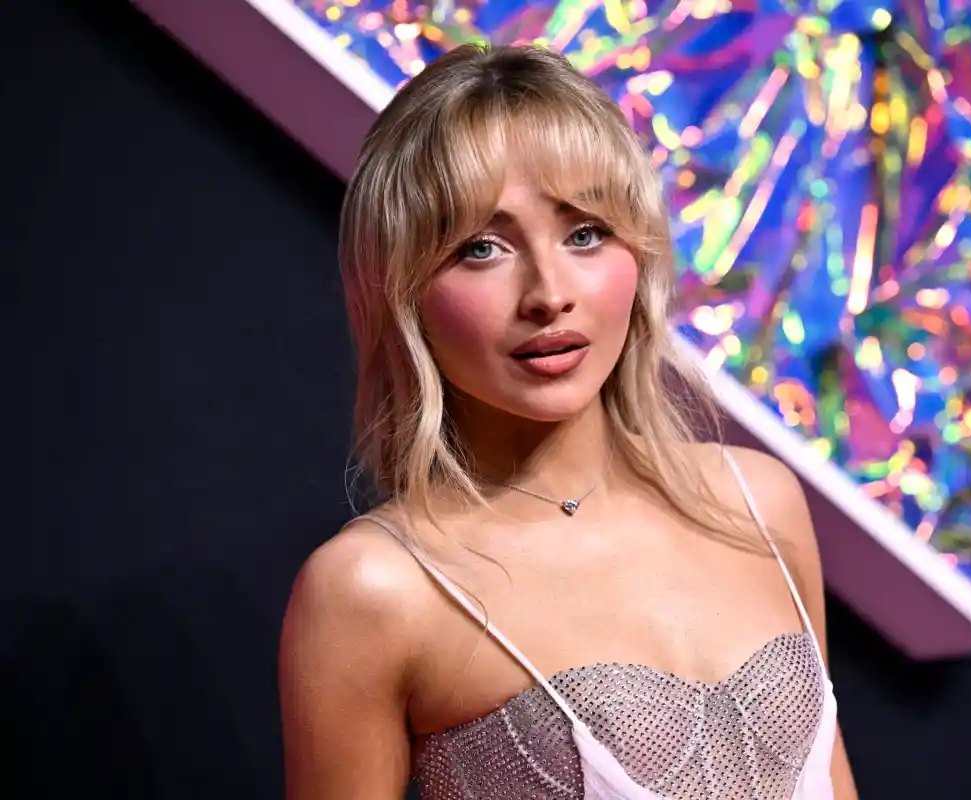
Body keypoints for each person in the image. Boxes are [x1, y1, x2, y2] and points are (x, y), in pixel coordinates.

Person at [278, 41, 858, 799]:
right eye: (481, 248)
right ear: (400, 288)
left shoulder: (757, 501)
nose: (549, 293)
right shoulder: (374, 589)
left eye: (585, 233)